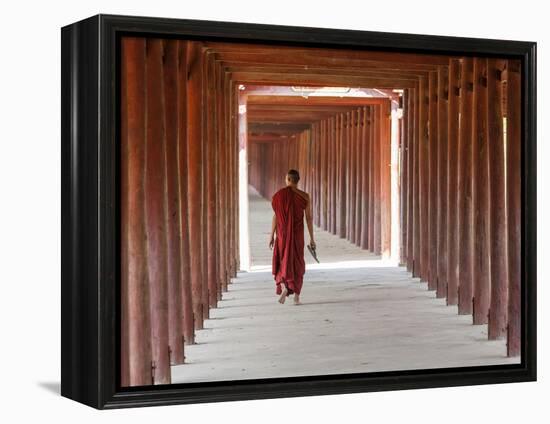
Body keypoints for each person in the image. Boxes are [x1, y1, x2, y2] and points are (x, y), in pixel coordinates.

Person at [269, 169, 316, 305]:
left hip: (282, 235)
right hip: (297, 235)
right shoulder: (305, 196)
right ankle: (296, 297)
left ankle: (284, 287)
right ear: (297, 180)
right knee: (297, 262)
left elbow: (275, 217)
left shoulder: (278, 196)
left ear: (288, 180)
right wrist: (312, 238)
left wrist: (272, 235)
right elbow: (308, 218)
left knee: (283, 260)